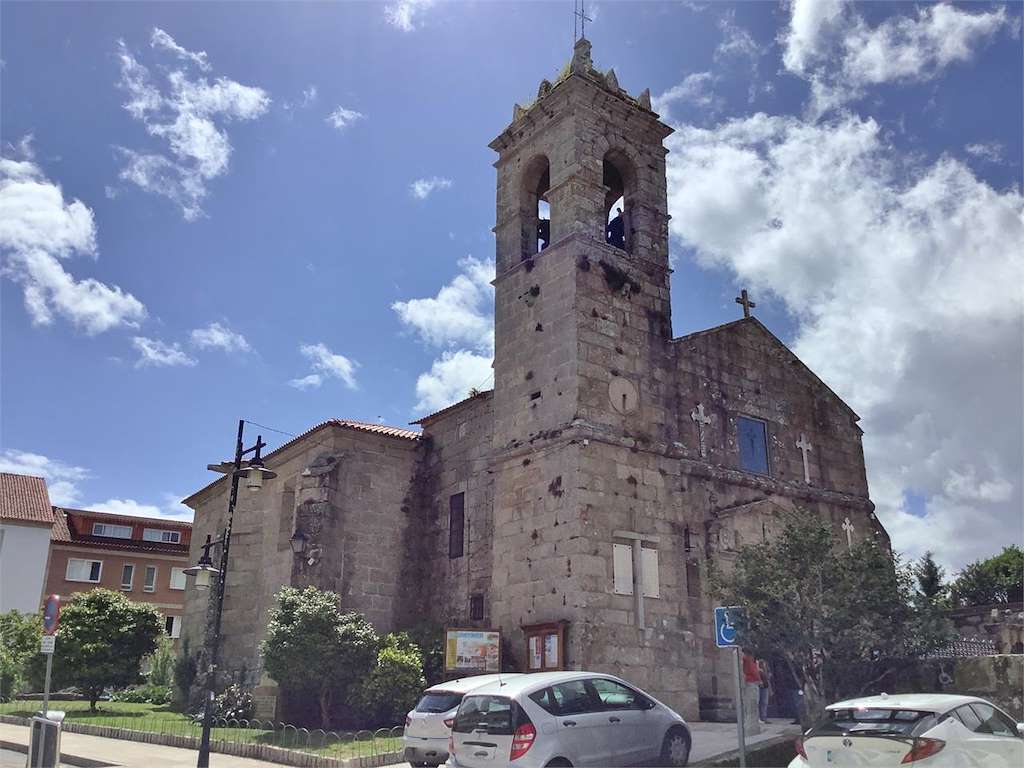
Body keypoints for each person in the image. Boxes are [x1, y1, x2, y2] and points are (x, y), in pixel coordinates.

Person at [757, 658, 772, 724]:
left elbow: (768, 681)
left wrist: (770, 689)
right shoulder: (759, 671)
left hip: (765, 687)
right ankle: (760, 717)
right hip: (760, 687)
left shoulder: (766, 672)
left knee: (764, 703)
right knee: (760, 703)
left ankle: (764, 717)